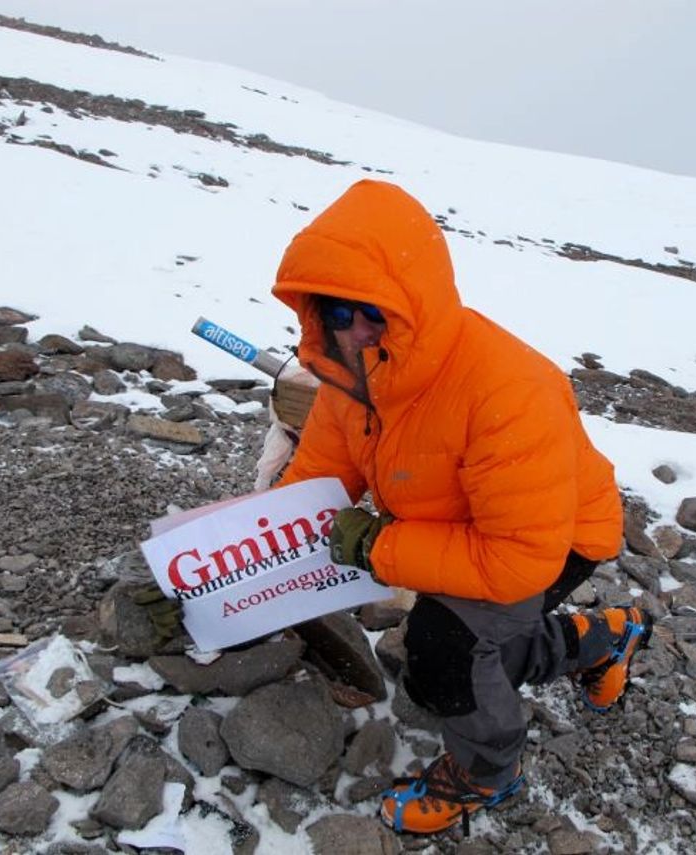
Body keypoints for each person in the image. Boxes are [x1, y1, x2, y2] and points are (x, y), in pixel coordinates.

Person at [272, 179, 651, 835]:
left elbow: (516, 561)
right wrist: (242, 547)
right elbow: (320, 473)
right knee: (485, 652)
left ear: (413, 301)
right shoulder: (352, 374)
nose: (355, 331)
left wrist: (375, 547)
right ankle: (602, 639)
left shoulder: (507, 389)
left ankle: (486, 773)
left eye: (373, 311)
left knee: (443, 652)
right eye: (336, 310)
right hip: (463, 527)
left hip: (554, 536)